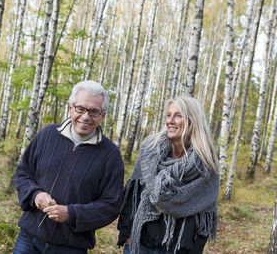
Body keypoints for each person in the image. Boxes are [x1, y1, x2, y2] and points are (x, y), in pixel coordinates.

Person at [13, 80, 124, 254]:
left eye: (94, 111)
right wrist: (35, 195)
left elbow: (111, 205)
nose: (85, 117)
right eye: (80, 108)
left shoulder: (110, 155)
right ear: (71, 108)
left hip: (72, 247)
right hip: (28, 239)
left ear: (102, 116)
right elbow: (23, 174)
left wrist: (71, 214)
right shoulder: (47, 135)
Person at [117, 96, 219, 254]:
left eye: (178, 116)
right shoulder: (150, 151)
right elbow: (134, 194)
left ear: (193, 121)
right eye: (168, 115)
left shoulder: (205, 162)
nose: (170, 121)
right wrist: (127, 237)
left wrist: (195, 248)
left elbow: (206, 210)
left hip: (180, 247)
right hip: (141, 242)